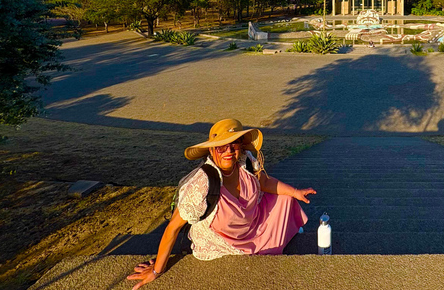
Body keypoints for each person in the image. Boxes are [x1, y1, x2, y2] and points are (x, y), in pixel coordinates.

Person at [127, 119, 316, 289]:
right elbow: (173, 228)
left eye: (233, 145)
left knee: (285, 198)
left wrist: (295, 192)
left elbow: (264, 182)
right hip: (225, 242)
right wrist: (156, 270)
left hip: (251, 225)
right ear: (211, 150)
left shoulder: (245, 162)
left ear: (241, 147)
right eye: (221, 147)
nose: (228, 151)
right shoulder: (202, 183)